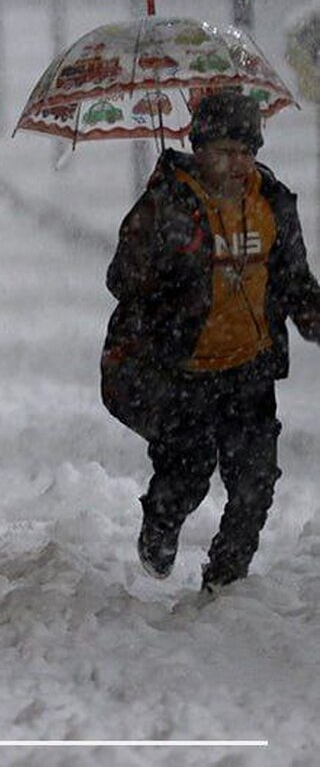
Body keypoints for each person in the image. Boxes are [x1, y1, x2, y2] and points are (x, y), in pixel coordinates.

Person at [101, 89, 320, 591]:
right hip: (184, 370)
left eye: (247, 151)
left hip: (251, 368)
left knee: (255, 483)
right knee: (189, 468)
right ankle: (161, 522)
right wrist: (165, 251)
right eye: (224, 151)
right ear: (198, 149)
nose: (238, 163)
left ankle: (225, 583)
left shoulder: (272, 203)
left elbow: (293, 281)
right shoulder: (168, 204)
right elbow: (122, 280)